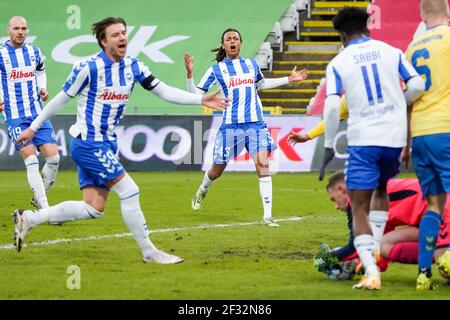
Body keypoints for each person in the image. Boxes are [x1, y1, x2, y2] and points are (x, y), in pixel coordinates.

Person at [14, 17, 228, 264]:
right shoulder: (88, 67)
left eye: (124, 33)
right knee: (130, 190)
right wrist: (33, 128)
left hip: (106, 144)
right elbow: (60, 100)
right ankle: (149, 251)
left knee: (92, 208)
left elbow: (164, 90)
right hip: (88, 143)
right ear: (104, 41)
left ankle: (28, 218)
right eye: (115, 35)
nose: (122, 37)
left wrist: (199, 100)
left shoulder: (134, 67)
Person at [323, 7, 425, 289]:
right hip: (393, 137)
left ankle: (372, 271)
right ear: (367, 29)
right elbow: (417, 85)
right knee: (381, 190)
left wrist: (329, 144)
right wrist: (398, 103)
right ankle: (376, 253)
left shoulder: (338, 62)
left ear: (342, 36)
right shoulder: (391, 51)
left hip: (363, 137)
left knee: (358, 208)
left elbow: (332, 105)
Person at [184, 28, 309, 227]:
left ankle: (267, 216)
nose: (232, 41)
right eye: (228, 39)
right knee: (216, 171)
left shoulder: (251, 64)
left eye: (235, 38)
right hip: (230, 127)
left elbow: (262, 84)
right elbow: (195, 96)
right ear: (223, 45)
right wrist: (189, 75)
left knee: (263, 166)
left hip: (255, 125)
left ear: (240, 43)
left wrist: (289, 79)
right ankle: (202, 189)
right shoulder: (216, 70)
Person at [314, 171, 450, 280]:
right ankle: (440, 253)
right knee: (384, 243)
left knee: (445, 264)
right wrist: (365, 265)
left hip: (441, 209)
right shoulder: (372, 194)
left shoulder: (356, 197)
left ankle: (440, 253)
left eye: (334, 200)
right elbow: (378, 247)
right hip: (436, 210)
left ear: (342, 189)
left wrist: (329, 257)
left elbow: (354, 245)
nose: (336, 206)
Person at [405, 0, 450, 291]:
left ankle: (424, 274)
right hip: (446, 127)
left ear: (422, 15)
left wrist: (407, 142)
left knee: (434, 205)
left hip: (420, 133)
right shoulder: (449, 38)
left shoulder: (411, 48)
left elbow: (407, 98)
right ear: (447, 10)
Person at [0, 16, 60, 210]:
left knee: (54, 159)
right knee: (32, 160)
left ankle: (38, 198)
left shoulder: (34, 52)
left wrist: (43, 88)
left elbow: (41, 72)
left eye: (24, 28)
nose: (20, 32)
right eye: (16, 28)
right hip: (15, 116)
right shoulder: (1, 54)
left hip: (37, 114)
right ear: (8, 30)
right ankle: (45, 208)